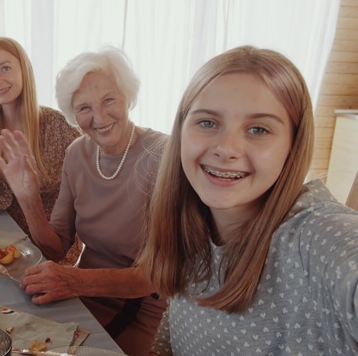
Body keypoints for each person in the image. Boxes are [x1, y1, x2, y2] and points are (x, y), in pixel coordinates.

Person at [139, 46, 358, 355]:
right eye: (207, 123)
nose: (226, 148)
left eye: (258, 129)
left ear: (292, 147)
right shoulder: (194, 222)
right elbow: (172, 334)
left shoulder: (317, 238)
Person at [0, 47, 168, 355]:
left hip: (138, 307)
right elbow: (56, 247)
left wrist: (75, 282)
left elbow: (156, 276)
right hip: (80, 293)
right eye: (84, 108)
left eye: (109, 99)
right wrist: (29, 199)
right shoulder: (77, 153)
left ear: (127, 96)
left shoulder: (162, 156)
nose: (99, 117)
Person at [0, 37, 82, 257]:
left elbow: (81, 197)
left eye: (5, 68)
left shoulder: (59, 125)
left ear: (24, 70)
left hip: (49, 248)